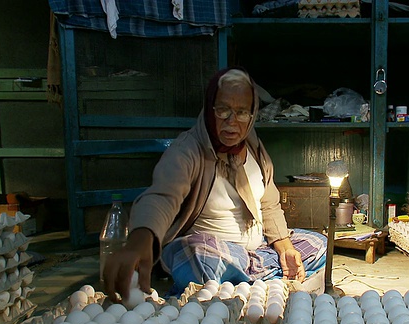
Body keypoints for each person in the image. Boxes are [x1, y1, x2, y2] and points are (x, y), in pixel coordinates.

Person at [103, 67, 327, 302]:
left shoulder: (255, 149)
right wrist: (141, 240)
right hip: (213, 250)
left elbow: (268, 205)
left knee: (318, 244)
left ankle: (240, 281)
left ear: (252, 115)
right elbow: (163, 196)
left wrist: (284, 247)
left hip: (257, 250)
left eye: (242, 112)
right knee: (195, 256)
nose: (231, 121)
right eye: (223, 110)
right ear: (210, 108)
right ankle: (259, 281)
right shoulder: (189, 150)